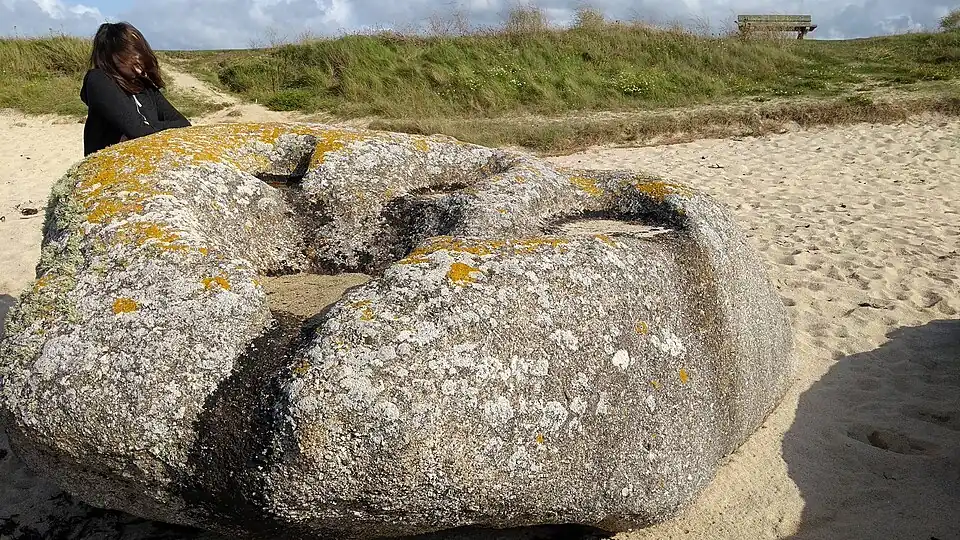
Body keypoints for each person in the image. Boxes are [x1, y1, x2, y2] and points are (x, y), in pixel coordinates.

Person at [80, 22, 191, 156]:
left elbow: (184, 124)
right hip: (108, 168)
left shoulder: (143, 85)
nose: (139, 70)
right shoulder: (98, 80)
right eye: (132, 62)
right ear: (111, 54)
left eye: (141, 61)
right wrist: (151, 128)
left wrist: (149, 126)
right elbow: (139, 132)